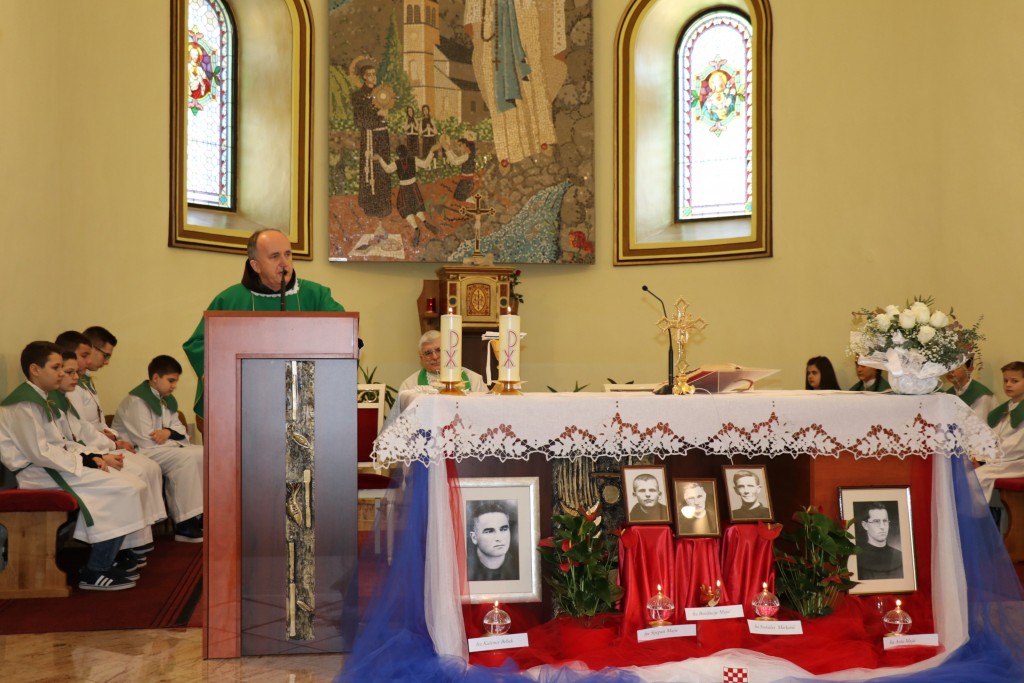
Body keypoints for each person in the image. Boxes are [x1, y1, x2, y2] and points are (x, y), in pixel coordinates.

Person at [0, 342, 147, 590]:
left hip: (52, 467)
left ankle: (106, 560)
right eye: (56, 367)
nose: (61, 373)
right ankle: (95, 570)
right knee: (123, 489)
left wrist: (92, 457)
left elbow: (62, 443)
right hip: (36, 473)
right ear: (35, 369)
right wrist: (85, 461)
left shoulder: (42, 400)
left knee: (131, 483)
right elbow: (41, 453)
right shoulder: (23, 404)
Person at [182, 228, 346, 417]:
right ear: (256, 265)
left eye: (288, 254)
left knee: (299, 437)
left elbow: (343, 332)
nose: (284, 263)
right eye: (275, 256)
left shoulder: (315, 296)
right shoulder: (230, 300)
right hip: (246, 404)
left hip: (303, 404)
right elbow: (198, 344)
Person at [52, 350, 166, 560]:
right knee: (127, 486)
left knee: (137, 478)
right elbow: (51, 450)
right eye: (61, 370)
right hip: (50, 471)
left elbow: (79, 433)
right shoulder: (33, 404)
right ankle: (103, 562)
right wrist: (96, 457)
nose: (71, 376)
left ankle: (128, 545)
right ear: (36, 370)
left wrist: (105, 449)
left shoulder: (58, 400)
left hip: (74, 459)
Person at [112, 355, 204, 543]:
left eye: (176, 381)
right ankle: (184, 522)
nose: (174, 386)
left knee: (202, 452)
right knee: (184, 459)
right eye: (171, 380)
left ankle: (198, 514)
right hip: (137, 451)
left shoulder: (166, 400)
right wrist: (170, 436)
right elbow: (147, 440)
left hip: (158, 449)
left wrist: (167, 432)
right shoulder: (136, 401)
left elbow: (179, 430)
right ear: (155, 377)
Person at [464, 0, 566, 168]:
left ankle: (542, 138)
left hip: (524, 17)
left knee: (532, 76)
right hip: (494, 22)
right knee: (499, 85)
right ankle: (507, 151)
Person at [973, 361, 1024, 501]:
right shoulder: (1004, 409)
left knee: (977, 476)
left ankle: (978, 513)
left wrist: (984, 459)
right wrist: (976, 455)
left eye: (1014, 381)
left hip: (1017, 461)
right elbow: (989, 437)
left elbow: (1016, 446)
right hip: (1001, 459)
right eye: (1005, 381)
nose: (1008, 385)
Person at [350, 58, 392, 221]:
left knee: (383, 166)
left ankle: (384, 203)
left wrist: (385, 115)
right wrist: (376, 114)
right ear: (364, 77)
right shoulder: (358, 96)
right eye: (370, 75)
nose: (374, 77)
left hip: (383, 136)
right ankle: (371, 204)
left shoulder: (381, 93)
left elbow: (386, 113)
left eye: (375, 74)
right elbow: (359, 120)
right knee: (371, 168)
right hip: (370, 136)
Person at [398, 330, 487, 393]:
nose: (435, 357)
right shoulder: (409, 386)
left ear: (449, 352)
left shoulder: (474, 380)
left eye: (439, 350)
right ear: (422, 359)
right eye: (428, 353)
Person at [467, 500, 519, 581]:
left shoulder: (518, 568)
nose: (499, 538)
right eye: (489, 531)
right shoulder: (466, 570)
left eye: (503, 529)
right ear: (474, 537)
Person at [855, 502, 903, 580]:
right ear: (865, 525)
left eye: (885, 521)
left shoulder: (899, 556)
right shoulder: (856, 557)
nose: (882, 527)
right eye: (876, 521)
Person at [945, 355, 995, 421]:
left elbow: (979, 424)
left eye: (957, 366)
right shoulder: (946, 394)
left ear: (969, 369)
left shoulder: (981, 396)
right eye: (948, 366)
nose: (950, 371)